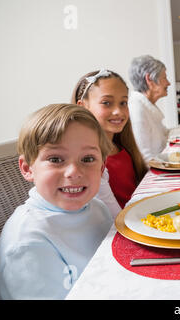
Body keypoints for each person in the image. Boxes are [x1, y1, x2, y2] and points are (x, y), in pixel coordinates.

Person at [0, 104, 113, 299]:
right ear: (27, 168)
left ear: (101, 168)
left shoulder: (96, 208)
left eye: (87, 159)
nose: (74, 172)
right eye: (56, 159)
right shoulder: (27, 245)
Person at [72, 69, 148, 215]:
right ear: (82, 106)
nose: (118, 111)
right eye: (106, 103)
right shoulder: (88, 160)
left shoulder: (122, 147)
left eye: (123, 103)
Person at [128, 55, 180, 163]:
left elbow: (165, 135)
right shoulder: (137, 109)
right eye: (164, 77)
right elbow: (145, 158)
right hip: (155, 175)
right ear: (149, 79)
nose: (168, 83)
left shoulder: (146, 106)